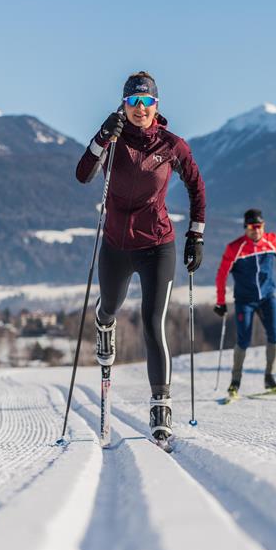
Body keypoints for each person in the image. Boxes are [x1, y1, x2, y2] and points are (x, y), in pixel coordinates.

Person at [76, 71, 205, 441]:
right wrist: (101, 136)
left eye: (147, 102)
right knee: (110, 306)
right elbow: (83, 174)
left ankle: (161, 406)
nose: (140, 109)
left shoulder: (171, 145)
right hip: (116, 245)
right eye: (133, 102)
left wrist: (196, 234)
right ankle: (104, 322)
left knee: (152, 322)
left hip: (157, 246)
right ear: (124, 104)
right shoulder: (113, 141)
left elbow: (197, 186)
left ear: (156, 105)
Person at [214, 208, 276, 399]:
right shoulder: (235, 248)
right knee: (243, 340)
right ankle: (235, 382)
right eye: (253, 227)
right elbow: (222, 275)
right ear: (245, 228)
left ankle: (269, 377)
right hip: (244, 300)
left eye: (260, 226)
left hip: (267, 297)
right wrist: (221, 302)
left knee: (275, 335)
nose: (257, 230)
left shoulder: (272, 241)